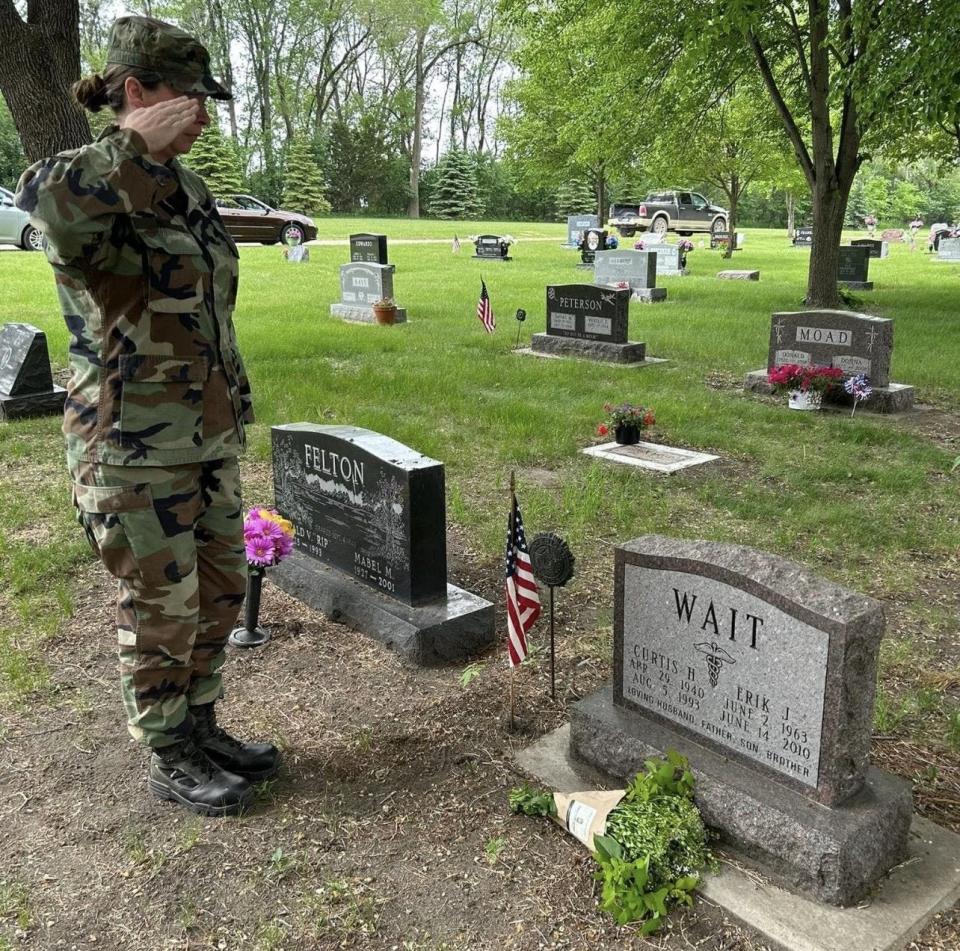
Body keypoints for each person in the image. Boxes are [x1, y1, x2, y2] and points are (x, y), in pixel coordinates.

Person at [15, 15, 278, 817]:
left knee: (221, 590)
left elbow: (204, 308)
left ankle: (199, 724)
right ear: (138, 92)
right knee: (161, 609)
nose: (203, 113)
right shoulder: (90, 182)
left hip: (202, 437)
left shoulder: (188, 190)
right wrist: (132, 143)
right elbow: (44, 208)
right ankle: (168, 751)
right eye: (190, 97)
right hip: (130, 449)